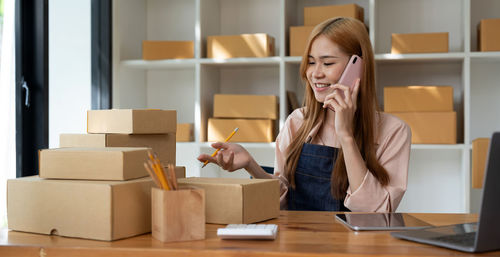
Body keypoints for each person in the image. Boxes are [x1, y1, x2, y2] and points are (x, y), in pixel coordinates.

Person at [197, 17, 411, 212]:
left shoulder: (394, 131)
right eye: (311, 62)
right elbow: (283, 196)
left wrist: (345, 134)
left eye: (327, 63)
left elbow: (375, 213)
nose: (315, 73)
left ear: (358, 69)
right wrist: (251, 165)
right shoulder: (297, 121)